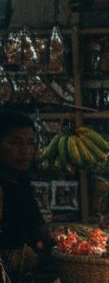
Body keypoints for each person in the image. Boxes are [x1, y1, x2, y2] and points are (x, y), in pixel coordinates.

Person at [0, 108, 48, 254]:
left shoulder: (20, 178)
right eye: (16, 143)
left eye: (30, 143)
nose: (25, 151)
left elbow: (34, 221)